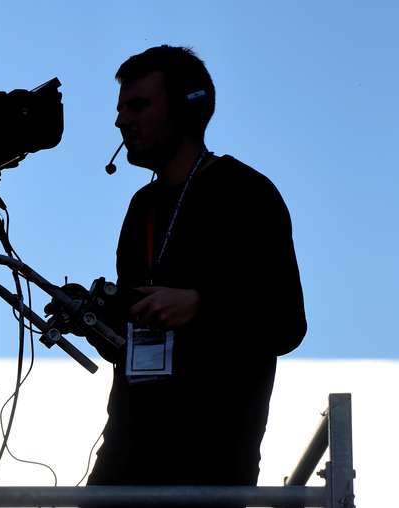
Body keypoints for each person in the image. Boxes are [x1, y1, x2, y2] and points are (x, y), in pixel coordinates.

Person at [86, 45, 307, 498]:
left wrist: (200, 306)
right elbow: (139, 338)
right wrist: (97, 320)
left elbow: (286, 323)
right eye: (121, 108)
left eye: (138, 105)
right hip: (124, 465)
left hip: (210, 468)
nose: (121, 120)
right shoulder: (142, 208)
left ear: (188, 107)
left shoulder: (245, 193)